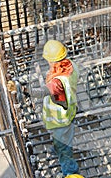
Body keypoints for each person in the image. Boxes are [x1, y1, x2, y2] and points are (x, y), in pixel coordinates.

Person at [41, 40, 80, 176]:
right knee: (62, 141)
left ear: (52, 61)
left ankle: (70, 172)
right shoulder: (72, 66)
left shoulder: (57, 81)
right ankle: (58, 147)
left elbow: (44, 91)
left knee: (64, 148)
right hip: (68, 114)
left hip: (60, 120)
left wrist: (22, 88)